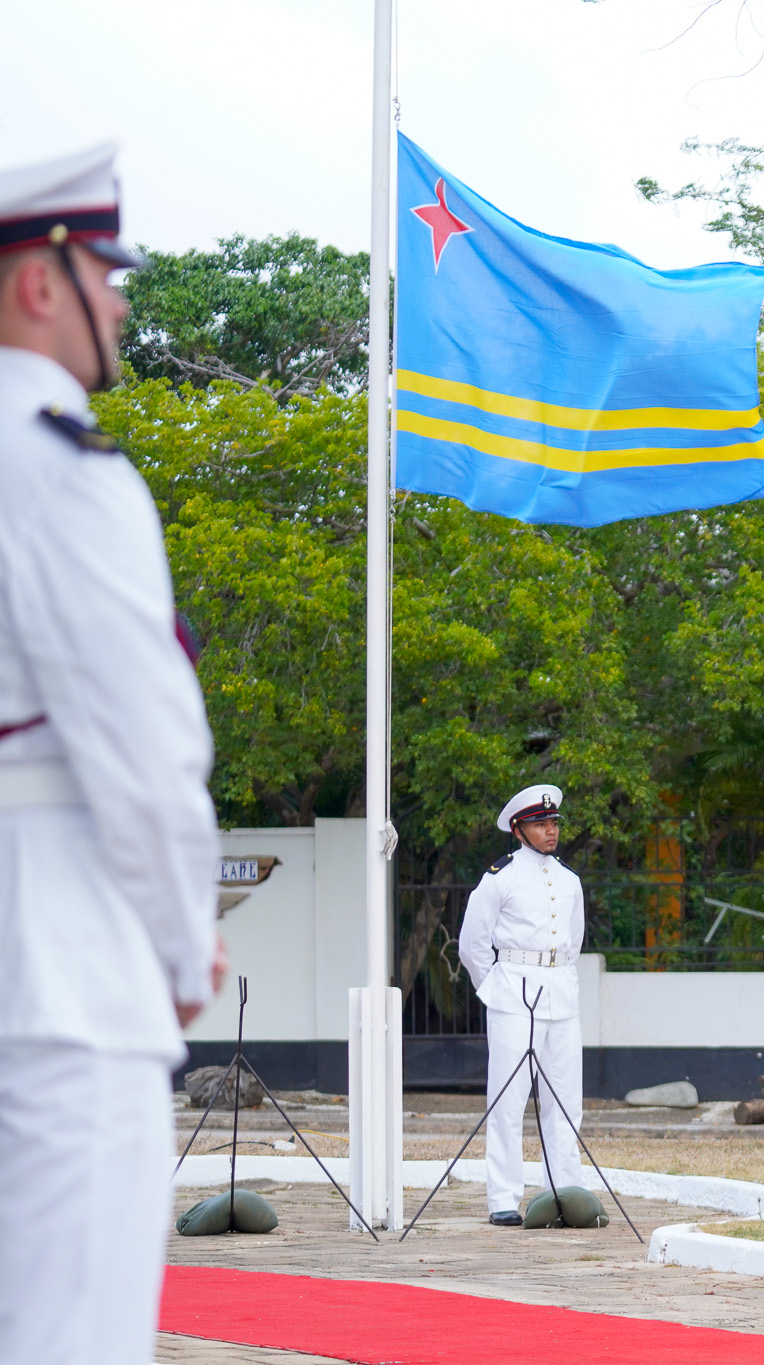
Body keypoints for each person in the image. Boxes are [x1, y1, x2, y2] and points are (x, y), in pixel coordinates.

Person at [0, 145, 228, 1365]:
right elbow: (139, 740)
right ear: (43, 278)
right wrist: (179, 932)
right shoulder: (55, 464)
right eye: (107, 270)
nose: (124, 300)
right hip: (58, 962)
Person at [458, 784, 587, 1223]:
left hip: (561, 995)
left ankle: (567, 1192)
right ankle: (503, 1198)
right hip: (514, 993)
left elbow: (574, 943)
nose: (550, 831)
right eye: (540, 824)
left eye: (553, 823)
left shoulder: (570, 880)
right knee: (508, 1099)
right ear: (519, 830)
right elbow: (472, 944)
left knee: (567, 1101)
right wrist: (495, 986)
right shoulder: (501, 876)